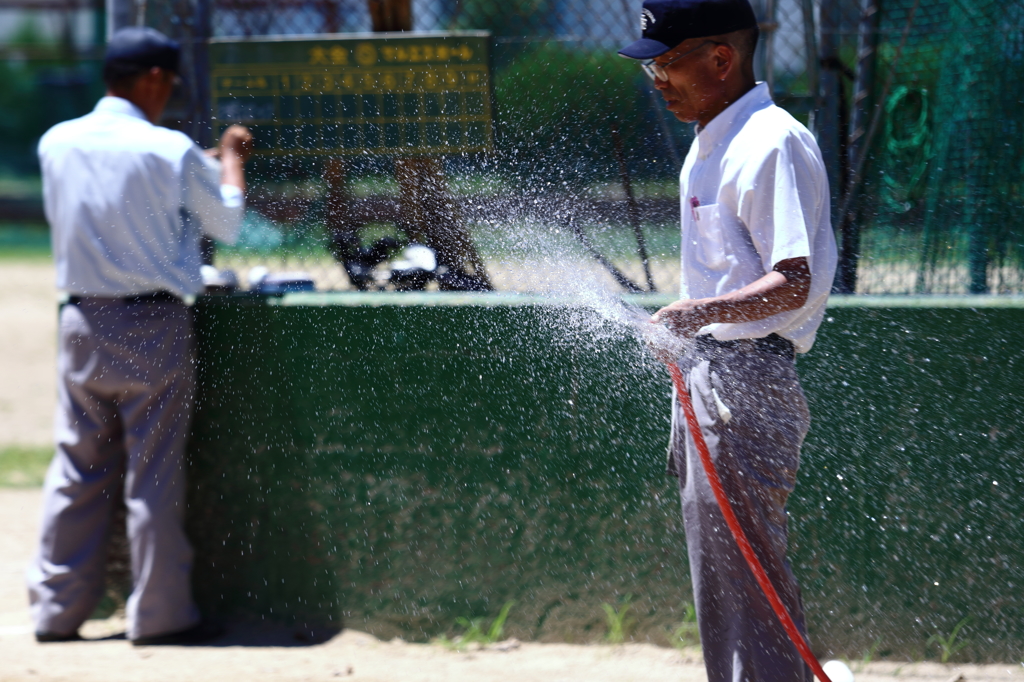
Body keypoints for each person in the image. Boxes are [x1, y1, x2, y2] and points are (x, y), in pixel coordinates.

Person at [618, 1, 838, 680]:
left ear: (721, 58)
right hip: (713, 379)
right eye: (651, 62)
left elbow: (795, 281)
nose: (656, 75)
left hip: (748, 383)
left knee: (746, 574)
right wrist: (693, 331)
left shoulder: (771, 141)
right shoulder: (711, 141)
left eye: (667, 60)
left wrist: (693, 315)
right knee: (725, 575)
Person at [27, 27, 252, 646]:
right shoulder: (170, 150)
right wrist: (229, 160)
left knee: (77, 469)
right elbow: (226, 222)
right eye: (169, 84)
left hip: (79, 320)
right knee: (151, 473)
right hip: (152, 323)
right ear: (154, 79)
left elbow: (110, 193)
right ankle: (158, 615)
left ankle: (55, 610)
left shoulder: (57, 142)